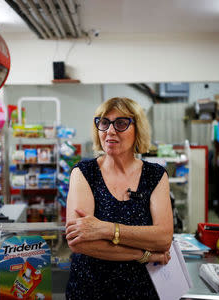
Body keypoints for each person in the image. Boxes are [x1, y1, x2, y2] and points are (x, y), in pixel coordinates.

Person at [65, 97, 173, 299]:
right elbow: (78, 242)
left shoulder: (155, 175)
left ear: (137, 129)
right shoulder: (84, 173)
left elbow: (163, 238)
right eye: (104, 123)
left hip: (140, 291)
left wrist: (104, 229)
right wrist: (143, 255)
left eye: (121, 123)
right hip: (89, 289)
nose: (110, 131)